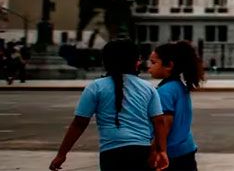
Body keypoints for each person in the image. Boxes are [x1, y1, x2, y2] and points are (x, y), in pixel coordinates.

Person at [50, 38, 169, 171]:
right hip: (141, 151)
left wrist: (61, 154)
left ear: (105, 62)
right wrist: (162, 151)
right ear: (136, 62)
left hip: (111, 153)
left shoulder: (95, 87)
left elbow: (79, 123)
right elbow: (159, 122)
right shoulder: (148, 88)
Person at [148, 40, 205, 170]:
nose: (149, 66)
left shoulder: (165, 91)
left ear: (169, 65)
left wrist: (155, 151)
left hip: (172, 154)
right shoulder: (178, 86)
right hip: (186, 149)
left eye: (153, 62)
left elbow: (164, 125)